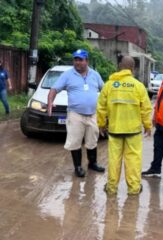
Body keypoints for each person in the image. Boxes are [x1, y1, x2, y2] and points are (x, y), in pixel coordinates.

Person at [97, 56, 152, 195]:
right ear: (133, 69)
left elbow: (101, 107)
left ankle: (111, 188)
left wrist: (101, 124)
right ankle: (134, 189)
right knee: (133, 160)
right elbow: (146, 108)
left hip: (115, 129)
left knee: (114, 160)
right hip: (133, 131)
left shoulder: (109, 85)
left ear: (120, 66)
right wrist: (147, 125)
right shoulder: (138, 86)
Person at [47, 49, 105, 177]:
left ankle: (92, 163)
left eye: (80, 59)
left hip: (93, 114)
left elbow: (105, 90)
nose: (77, 62)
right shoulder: (67, 75)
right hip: (75, 115)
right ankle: (78, 167)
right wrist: (50, 102)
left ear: (87, 61)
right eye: (75, 59)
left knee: (92, 140)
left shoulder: (95, 75)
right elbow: (54, 89)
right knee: (75, 141)